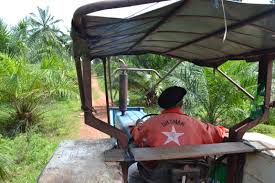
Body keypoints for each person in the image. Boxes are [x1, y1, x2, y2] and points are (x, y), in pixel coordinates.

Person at [128, 86, 228, 183]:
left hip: (157, 175)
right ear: (181, 103)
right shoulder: (196, 124)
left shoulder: (150, 123)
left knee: (132, 171)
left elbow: (136, 137)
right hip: (192, 173)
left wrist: (137, 127)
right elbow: (218, 134)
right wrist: (222, 129)